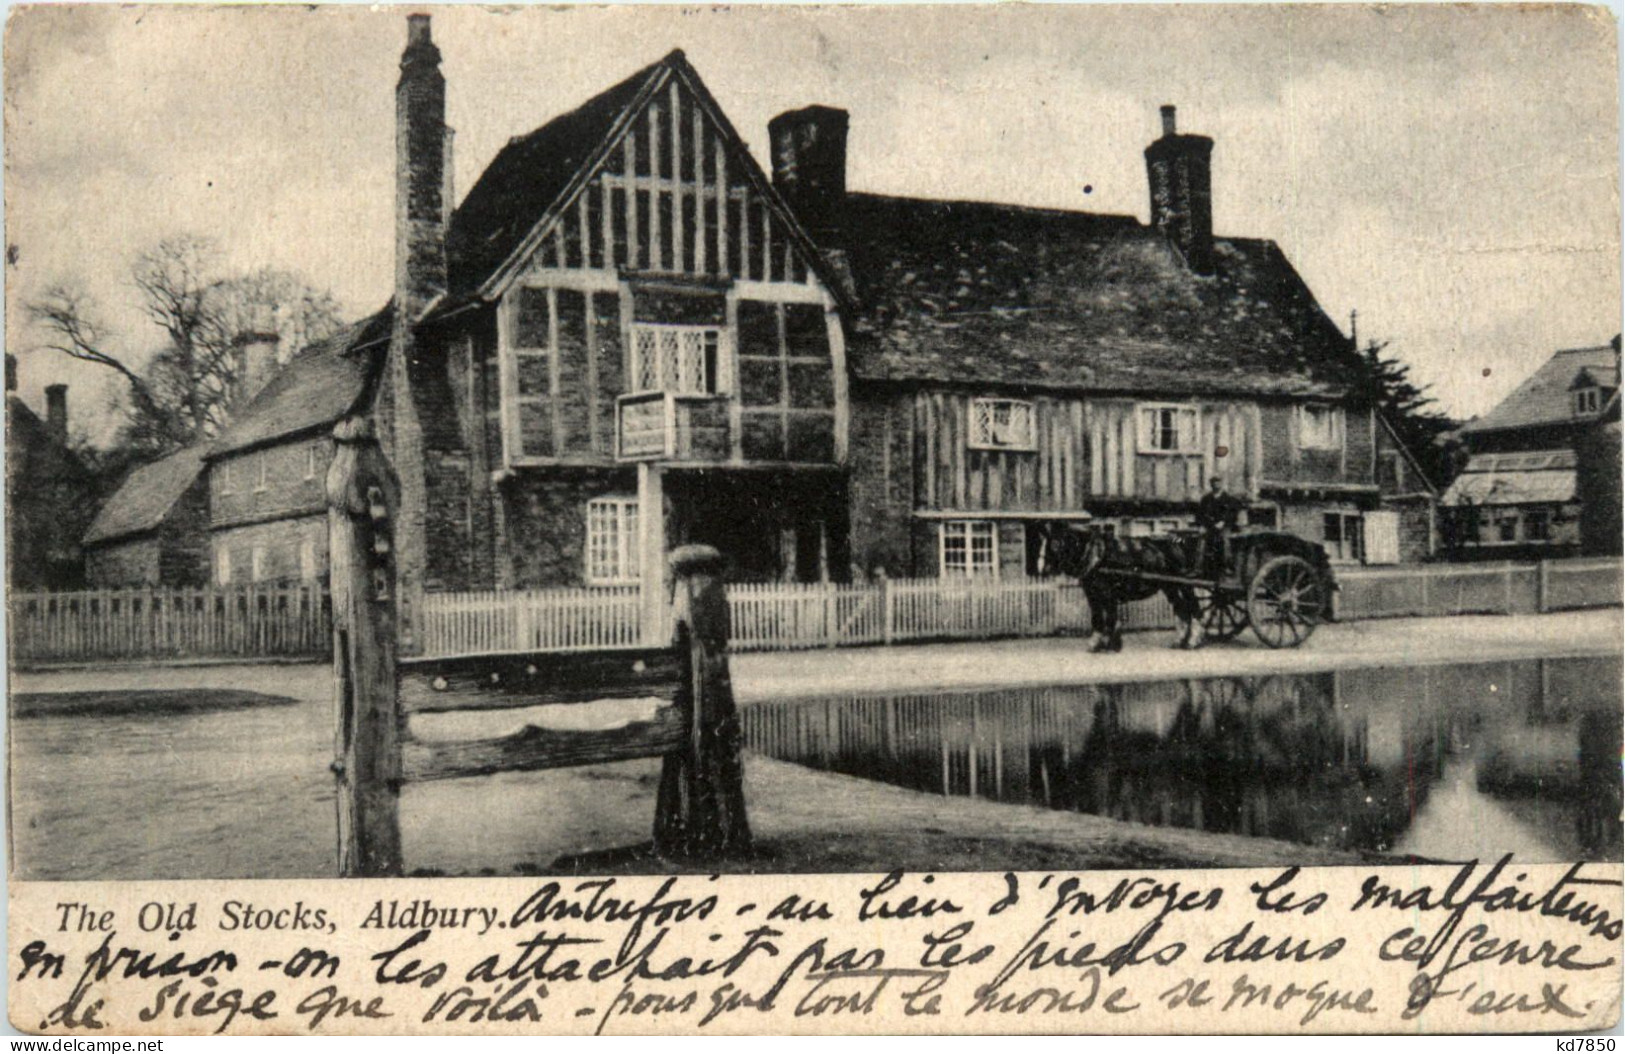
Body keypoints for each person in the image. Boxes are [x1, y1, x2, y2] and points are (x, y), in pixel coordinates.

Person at [1196, 477, 1244, 578]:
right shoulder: (1206, 499)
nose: (1216, 484)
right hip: (1209, 527)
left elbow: (1233, 514)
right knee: (1200, 541)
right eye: (1213, 482)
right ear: (1211, 484)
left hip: (1225, 527)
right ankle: (1198, 568)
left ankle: (1228, 567)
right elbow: (1199, 514)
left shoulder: (1229, 499)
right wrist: (1201, 525)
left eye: (1218, 482)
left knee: (1225, 540)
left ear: (1221, 484)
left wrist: (1224, 522)